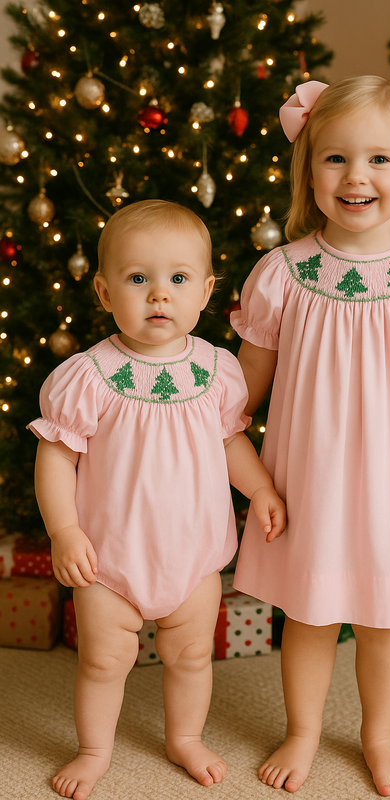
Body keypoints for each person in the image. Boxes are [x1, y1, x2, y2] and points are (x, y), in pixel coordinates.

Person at [230, 76, 390, 797]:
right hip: (306, 479)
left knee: (383, 621)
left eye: (379, 159)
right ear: (308, 169)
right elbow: (245, 385)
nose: (355, 176)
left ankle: (378, 734)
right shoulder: (279, 274)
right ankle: (302, 730)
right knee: (307, 617)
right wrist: (215, 443)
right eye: (335, 158)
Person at [28, 199, 286, 800]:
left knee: (192, 655)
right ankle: (93, 749)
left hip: (192, 554)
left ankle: (185, 738)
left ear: (205, 291)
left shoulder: (216, 371)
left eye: (177, 279)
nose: (159, 295)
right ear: (103, 291)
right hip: (107, 558)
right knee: (103, 661)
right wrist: (65, 531)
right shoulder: (90, 375)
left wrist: (262, 487)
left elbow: (231, 442)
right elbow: (56, 456)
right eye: (138, 279)